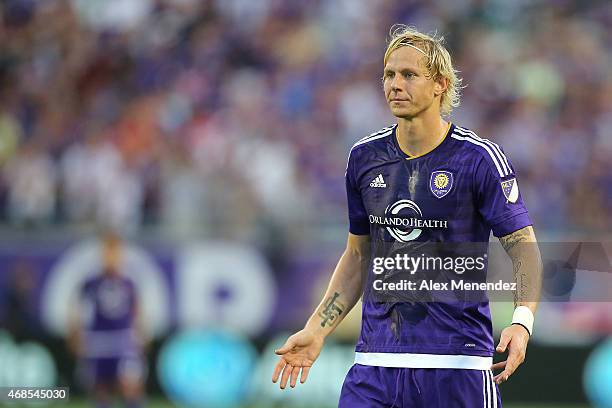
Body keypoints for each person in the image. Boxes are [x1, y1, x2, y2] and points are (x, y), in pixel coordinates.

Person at [272, 25, 542, 407]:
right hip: (375, 366)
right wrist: (316, 330)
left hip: (457, 365)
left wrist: (522, 322)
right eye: (389, 75)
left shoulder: (478, 158)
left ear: (440, 85)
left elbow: (523, 247)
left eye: (409, 75)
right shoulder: (364, 158)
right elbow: (357, 256)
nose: (395, 84)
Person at [68, 232, 147, 408]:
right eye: (108, 253)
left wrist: (141, 334)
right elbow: (77, 309)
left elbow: (137, 311)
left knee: (131, 385)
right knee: (100, 389)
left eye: (115, 253)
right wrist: (75, 334)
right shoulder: (91, 282)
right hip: (99, 341)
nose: (112, 258)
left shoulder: (128, 283)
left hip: (123, 339)